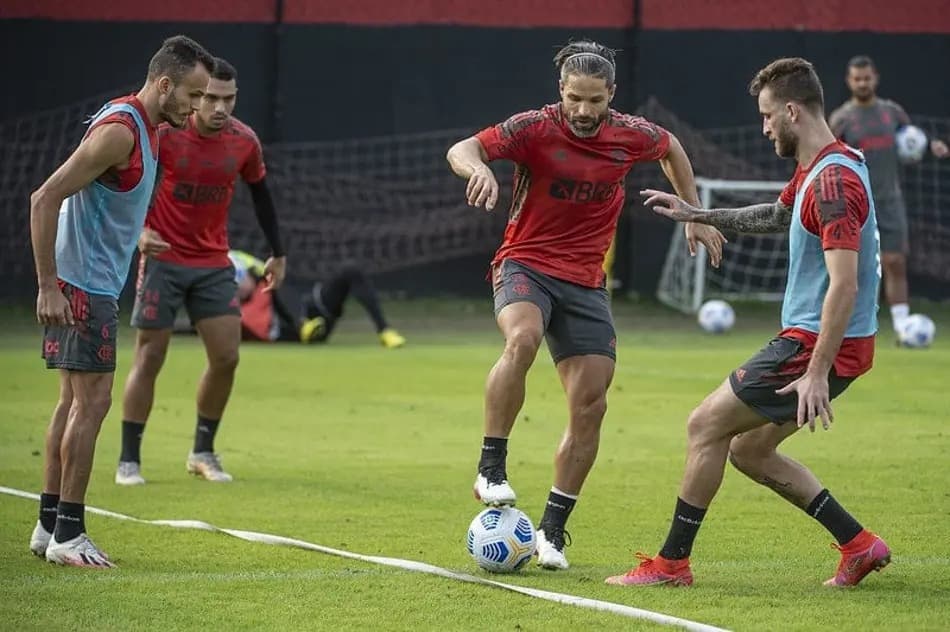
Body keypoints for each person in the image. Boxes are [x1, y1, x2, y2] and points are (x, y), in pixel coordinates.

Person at [606, 57, 890, 588]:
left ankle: (671, 567)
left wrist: (816, 371)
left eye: (765, 116)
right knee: (749, 449)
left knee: (703, 425)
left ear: (790, 111)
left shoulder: (832, 183)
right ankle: (860, 545)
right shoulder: (829, 164)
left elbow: (845, 284)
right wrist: (698, 215)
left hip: (815, 342)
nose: (763, 128)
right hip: (833, 342)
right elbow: (776, 216)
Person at [445, 40, 726, 570]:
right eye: (575, 98)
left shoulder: (631, 134)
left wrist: (693, 212)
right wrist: (477, 169)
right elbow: (463, 148)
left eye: (595, 100)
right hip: (524, 264)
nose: (583, 111)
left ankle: (551, 531)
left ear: (611, 95)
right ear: (561, 91)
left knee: (591, 404)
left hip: (585, 283)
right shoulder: (533, 127)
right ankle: (491, 469)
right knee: (522, 339)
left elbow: (671, 149)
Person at [29, 36, 214, 567]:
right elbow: (45, 197)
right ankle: (70, 533)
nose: (198, 106)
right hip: (83, 287)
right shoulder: (120, 131)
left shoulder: (145, 127)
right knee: (92, 405)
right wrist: (48, 284)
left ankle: (47, 527)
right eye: (194, 95)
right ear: (164, 85)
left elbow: (99, 206)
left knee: (71, 403)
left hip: (84, 283)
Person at [115, 58, 287, 486]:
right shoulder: (164, 134)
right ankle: (128, 459)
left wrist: (278, 253)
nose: (220, 108)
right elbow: (122, 184)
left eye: (229, 99)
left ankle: (202, 452)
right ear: (196, 95)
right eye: (210, 97)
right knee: (150, 356)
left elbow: (262, 196)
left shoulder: (244, 142)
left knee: (227, 357)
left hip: (212, 262)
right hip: (163, 259)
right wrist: (140, 232)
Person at [828, 56, 949, 338]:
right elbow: (828, 154)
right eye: (857, 79)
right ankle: (849, 326)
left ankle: (902, 327)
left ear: (875, 78)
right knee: (851, 268)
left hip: (890, 198)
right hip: (854, 203)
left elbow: (912, 139)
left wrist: (932, 145)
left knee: (895, 262)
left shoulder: (892, 112)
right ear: (849, 81)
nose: (862, 83)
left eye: (866, 78)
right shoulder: (842, 118)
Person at [228, 249, 406, 347]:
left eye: (241, 279)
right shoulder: (233, 315)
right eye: (233, 285)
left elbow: (268, 270)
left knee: (350, 269)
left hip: (311, 314)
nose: (240, 287)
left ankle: (385, 331)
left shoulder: (264, 285)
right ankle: (302, 327)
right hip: (289, 335)